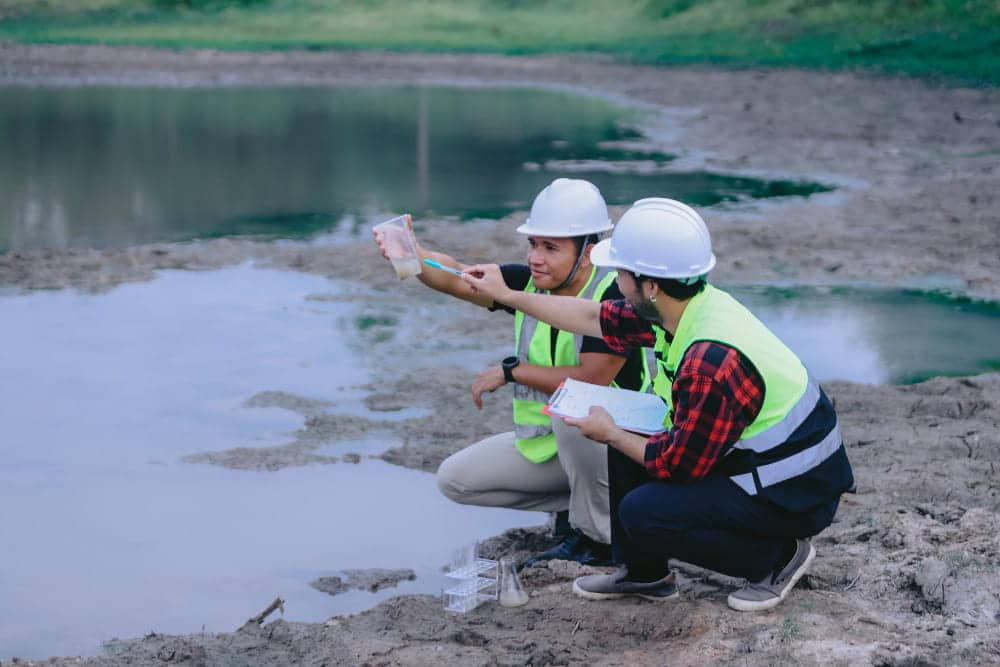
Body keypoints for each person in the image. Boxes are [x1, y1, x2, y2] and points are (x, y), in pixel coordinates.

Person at [461, 197, 855, 612]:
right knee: (634, 438)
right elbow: (593, 318)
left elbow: (676, 465)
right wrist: (510, 295)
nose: (616, 282)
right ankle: (645, 575)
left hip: (792, 491)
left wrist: (609, 432)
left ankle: (777, 560)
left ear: (649, 284)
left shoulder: (709, 360)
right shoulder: (684, 307)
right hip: (763, 461)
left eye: (622, 274)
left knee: (645, 512)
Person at [373, 178, 653, 567]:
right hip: (569, 451)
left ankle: (600, 540)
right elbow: (458, 277)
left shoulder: (612, 296)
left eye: (551, 247)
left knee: (576, 408)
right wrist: (413, 253)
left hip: (622, 450)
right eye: (533, 244)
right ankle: (582, 507)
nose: (536, 257)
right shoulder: (531, 283)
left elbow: (593, 379)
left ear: (588, 251)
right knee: (456, 478)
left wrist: (512, 372)